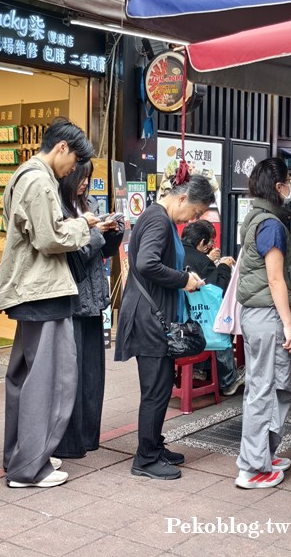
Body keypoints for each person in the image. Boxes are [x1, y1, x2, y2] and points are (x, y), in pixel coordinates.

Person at [0, 118, 96, 489]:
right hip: (43, 289)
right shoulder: (38, 179)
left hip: (29, 290)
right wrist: (87, 226)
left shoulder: (23, 176)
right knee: (49, 381)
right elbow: (49, 238)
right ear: (62, 148)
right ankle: (29, 468)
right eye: (74, 161)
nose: (73, 171)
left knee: (23, 378)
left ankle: (20, 457)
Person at [114, 174, 212, 480]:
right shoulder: (158, 220)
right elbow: (146, 263)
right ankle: (146, 458)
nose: (194, 219)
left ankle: (154, 446)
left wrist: (184, 278)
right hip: (149, 317)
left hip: (153, 313)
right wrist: (183, 280)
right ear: (182, 198)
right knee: (156, 389)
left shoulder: (161, 217)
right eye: (195, 212)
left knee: (159, 383)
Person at [235, 158, 291, 489]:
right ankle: (252, 467)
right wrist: (289, 325)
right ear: (278, 187)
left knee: (271, 385)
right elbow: (276, 280)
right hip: (268, 316)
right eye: (289, 180)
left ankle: (262, 453)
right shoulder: (272, 225)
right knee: (264, 388)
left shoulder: (256, 219)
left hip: (257, 315)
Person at [54, 161, 124, 460]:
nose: (85, 183)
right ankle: (69, 442)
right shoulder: (58, 208)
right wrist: (96, 232)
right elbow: (76, 249)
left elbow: (100, 251)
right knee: (73, 374)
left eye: (88, 178)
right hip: (72, 300)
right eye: (80, 177)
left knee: (93, 374)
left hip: (95, 300)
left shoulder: (91, 204)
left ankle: (88, 436)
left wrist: (114, 233)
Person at [181, 219, 243, 396]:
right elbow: (218, 291)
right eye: (209, 242)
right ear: (201, 242)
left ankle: (199, 370)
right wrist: (223, 266)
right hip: (203, 323)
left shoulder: (175, 253)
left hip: (180, 322)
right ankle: (228, 381)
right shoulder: (202, 260)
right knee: (221, 324)